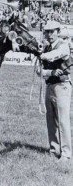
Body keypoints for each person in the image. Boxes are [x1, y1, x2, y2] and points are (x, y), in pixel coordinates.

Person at [37, 20, 72, 162]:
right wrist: (50, 72)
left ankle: (66, 153)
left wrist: (41, 55)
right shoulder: (46, 48)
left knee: (63, 121)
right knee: (51, 120)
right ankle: (54, 149)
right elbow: (39, 72)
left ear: (58, 32)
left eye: (52, 32)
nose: (49, 34)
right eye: (47, 32)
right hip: (50, 85)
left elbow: (54, 55)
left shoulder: (63, 46)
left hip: (62, 86)